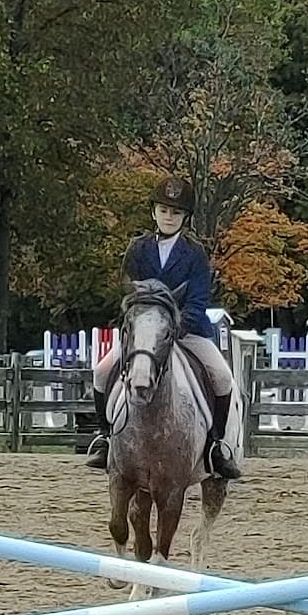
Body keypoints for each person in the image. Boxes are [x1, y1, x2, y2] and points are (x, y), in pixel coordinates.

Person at [85, 175, 241, 480]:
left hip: (188, 332)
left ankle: (216, 445)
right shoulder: (137, 248)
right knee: (102, 371)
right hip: (144, 333)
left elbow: (198, 300)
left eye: (176, 212)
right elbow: (128, 293)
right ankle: (105, 438)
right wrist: (144, 326)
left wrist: (175, 328)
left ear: (185, 217)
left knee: (222, 377)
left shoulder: (195, 253)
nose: (169, 217)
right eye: (164, 210)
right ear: (154, 212)